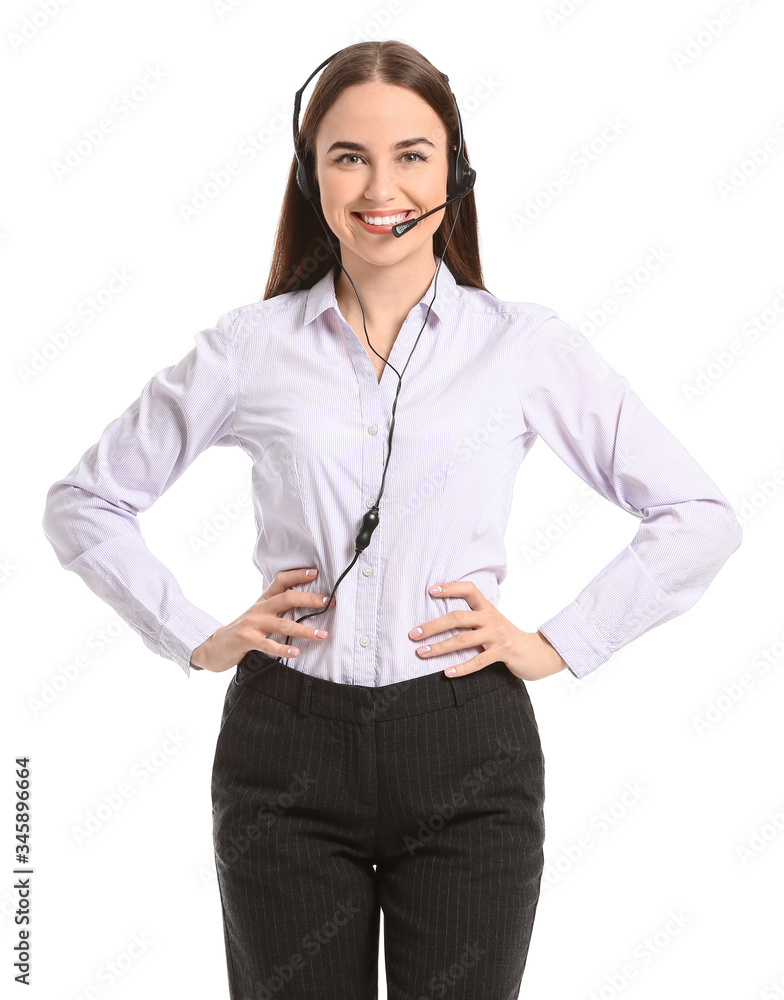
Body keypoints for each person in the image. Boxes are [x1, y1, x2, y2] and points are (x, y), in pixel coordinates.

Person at [42, 39, 742, 1000]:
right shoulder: (249, 349)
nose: (383, 186)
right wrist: (197, 637)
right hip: (284, 752)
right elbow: (85, 503)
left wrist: (560, 643)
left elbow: (697, 513)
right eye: (348, 155)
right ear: (310, 175)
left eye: (412, 154)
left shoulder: (524, 347)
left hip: (468, 750)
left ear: (453, 172)